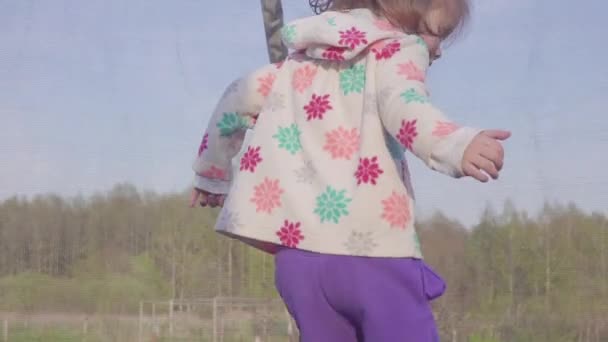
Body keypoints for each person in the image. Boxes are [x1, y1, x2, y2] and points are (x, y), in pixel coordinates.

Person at [190, 0, 510, 340]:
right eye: (438, 34)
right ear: (403, 12)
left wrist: (212, 173)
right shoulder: (397, 49)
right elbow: (406, 107)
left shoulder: (295, 64)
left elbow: (236, 97)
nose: (439, 51)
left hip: (298, 262)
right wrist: (457, 144)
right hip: (371, 256)